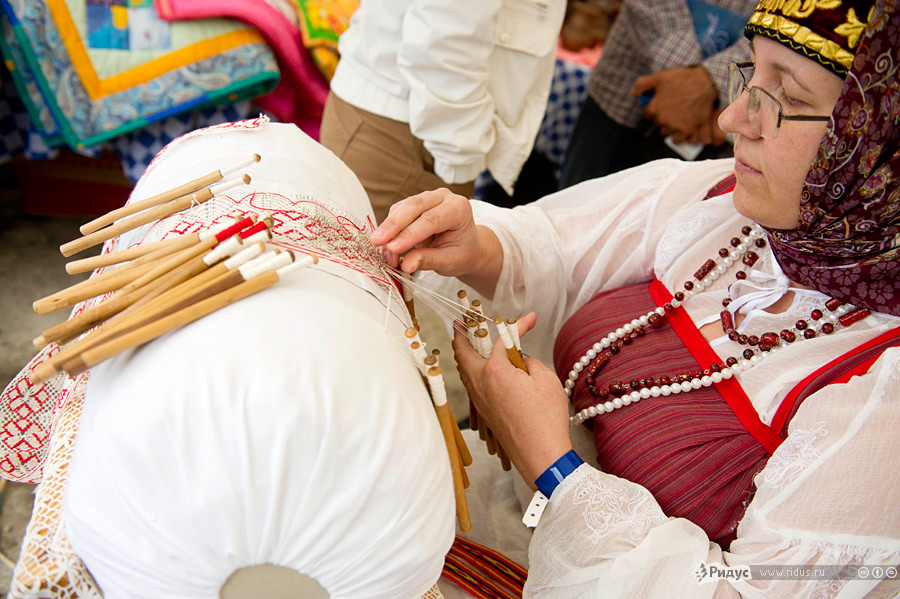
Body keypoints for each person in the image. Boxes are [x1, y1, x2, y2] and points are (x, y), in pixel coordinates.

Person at [370, 0, 900, 596]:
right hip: (503, 523)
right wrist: (481, 247)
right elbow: (563, 245)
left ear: (878, 139)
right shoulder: (727, 203)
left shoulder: (884, 403)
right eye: (750, 76)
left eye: (789, 99)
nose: (731, 119)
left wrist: (554, 465)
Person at [319, 0, 566, 224]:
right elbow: (445, 40)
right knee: (361, 271)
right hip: (410, 133)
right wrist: (459, 162)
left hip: (415, 122)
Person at [559, 0, 758, 188]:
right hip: (625, 87)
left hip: (735, 115)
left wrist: (715, 81)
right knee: (581, 209)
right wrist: (695, 85)